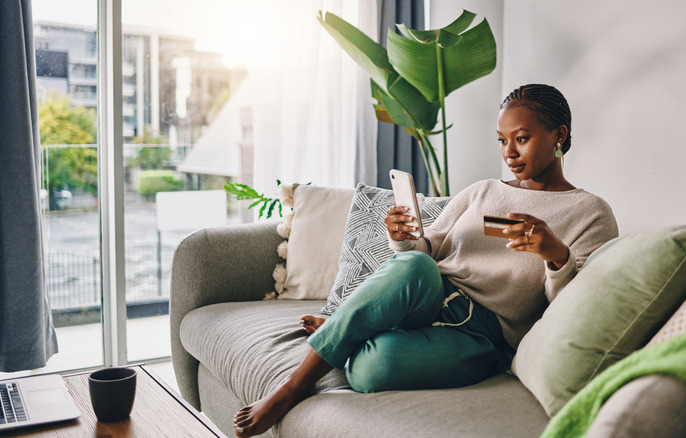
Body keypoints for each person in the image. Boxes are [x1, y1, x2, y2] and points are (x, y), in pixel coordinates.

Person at [233, 84, 619, 437]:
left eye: (521, 139)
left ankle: (351, 325)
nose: (509, 153)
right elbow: (428, 251)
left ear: (559, 136)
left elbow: (573, 310)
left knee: (371, 371)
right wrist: (404, 238)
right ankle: (293, 386)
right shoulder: (483, 190)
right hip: (430, 292)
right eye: (502, 141)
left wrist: (556, 256)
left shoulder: (590, 213)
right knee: (416, 265)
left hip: (484, 337)